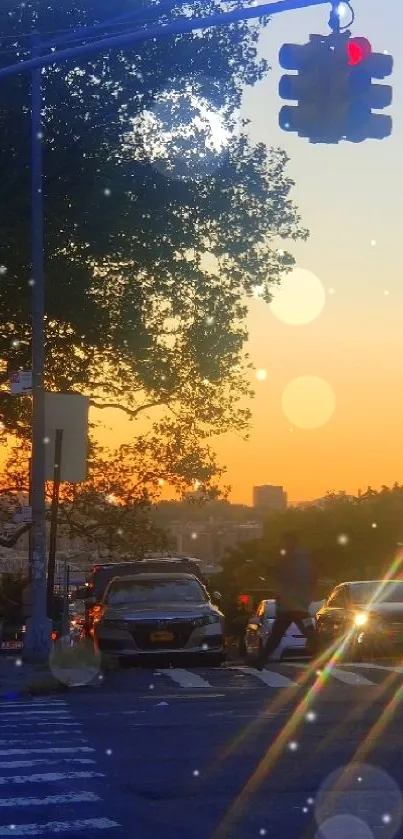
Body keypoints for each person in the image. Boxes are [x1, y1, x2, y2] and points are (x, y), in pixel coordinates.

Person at [255, 530, 316, 670]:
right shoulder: (301, 558)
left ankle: (261, 660)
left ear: (289, 542)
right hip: (295, 605)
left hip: (292, 605)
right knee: (305, 631)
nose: (281, 544)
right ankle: (261, 660)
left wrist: (270, 570)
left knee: (281, 634)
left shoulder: (290, 559)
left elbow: (285, 578)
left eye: (283, 541)